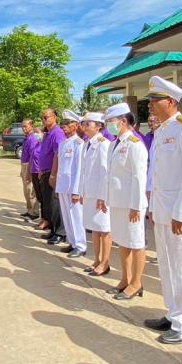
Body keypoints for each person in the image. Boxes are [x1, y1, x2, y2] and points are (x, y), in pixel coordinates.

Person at [144, 76, 182, 344]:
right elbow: (157, 174)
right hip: (162, 208)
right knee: (166, 265)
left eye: (155, 100)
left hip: (180, 212)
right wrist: (154, 207)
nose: (151, 105)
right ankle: (172, 312)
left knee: (181, 266)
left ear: (170, 101)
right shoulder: (162, 130)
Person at [99, 102, 148, 301]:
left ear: (124, 121)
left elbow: (139, 177)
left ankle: (136, 283)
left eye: (111, 121)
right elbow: (109, 174)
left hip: (131, 204)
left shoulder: (135, 144)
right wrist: (105, 197)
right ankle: (125, 279)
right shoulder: (113, 144)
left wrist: (136, 205)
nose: (109, 125)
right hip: (117, 202)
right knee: (123, 242)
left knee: (136, 243)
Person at [78, 112, 112, 275]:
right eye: (84, 124)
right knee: (95, 228)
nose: (84, 126)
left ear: (99, 126)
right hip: (90, 193)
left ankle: (105, 262)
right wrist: (82, 192)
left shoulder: (104, 144)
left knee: (104, 229)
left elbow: (105, 173)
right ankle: (97, 260)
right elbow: (84, 171)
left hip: (100, 195)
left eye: (88, 124)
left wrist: (102, 197)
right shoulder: (87, 144)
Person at [55, 111, 87, 258]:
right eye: (63, 125)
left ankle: (80, 246)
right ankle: (72, 242)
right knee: (67, 216)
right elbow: (62, 166)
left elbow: (79, 168)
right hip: (63, 185)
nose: (64, 127)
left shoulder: (79, 143)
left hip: (73, 187)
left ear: (75, 126)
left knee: (76, 216)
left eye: (67, 125)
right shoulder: (62, 143)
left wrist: (77, 190)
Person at [37, 109, 66, 245]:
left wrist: (53, 174)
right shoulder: (48, 133)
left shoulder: (57, 133)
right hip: (45, 171)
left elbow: (58, 155)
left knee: (55, 204)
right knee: (48, 203)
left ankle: (60, 232)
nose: (44, 120)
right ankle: (53, 230)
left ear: (54, 117)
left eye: (46, 117)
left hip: (53, 173)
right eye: (42, 118)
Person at [18, 118, 40, 221]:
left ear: (31, 126)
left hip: (29, 165)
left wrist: (29, 170)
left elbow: (33, 155)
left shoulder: (33, 138)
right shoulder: (26, 137)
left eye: (25, 126)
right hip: (24, 164)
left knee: (31, 190)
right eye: (22, 126)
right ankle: (29, 209)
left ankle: (34, 212)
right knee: (26, 190)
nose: (23, 128)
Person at [30, 127, 45, 227]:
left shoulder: (44, 145)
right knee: (39, 196)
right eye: (35, 133)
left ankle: (45, 219)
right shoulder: (37, 144)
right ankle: (42, 218)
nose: (36, 135)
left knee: (43, 197)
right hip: (34, 172)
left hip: (40, 172)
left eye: (38, 132)